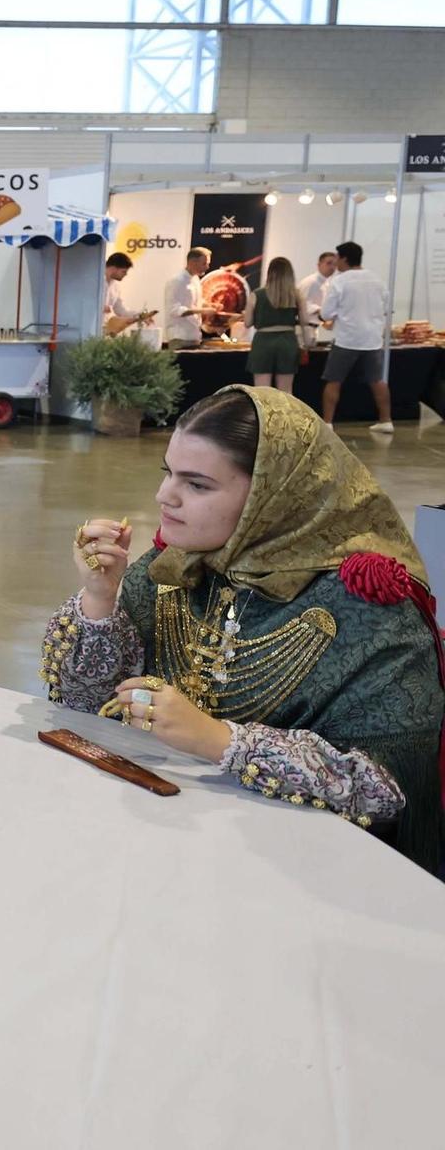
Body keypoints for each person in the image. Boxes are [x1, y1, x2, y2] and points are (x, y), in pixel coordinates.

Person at [45, 387, 443, 870]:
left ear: (270, 498)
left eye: (197, 484)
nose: (163, 496)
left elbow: (385, 790)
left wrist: (219, 740)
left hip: (301, 872)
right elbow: (84, 708)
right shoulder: (176, 568)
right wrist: (101, 598)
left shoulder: (368, 607)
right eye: (168, 472)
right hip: (166, 841)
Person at [318, 240, 394, 435]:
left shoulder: (340, 282)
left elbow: (326, 313)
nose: (336, 265)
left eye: (337, 260)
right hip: (372, 340)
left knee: (334, 380)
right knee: (377, 380)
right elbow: (387, 309)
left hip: (347, 339)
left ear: (344, 258)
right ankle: (386, 420)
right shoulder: (377, 280)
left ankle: (327, 422)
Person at [245, 256, 308, 394]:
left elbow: (247, 323)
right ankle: (286, 416)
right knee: (286, 391)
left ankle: (264, 416)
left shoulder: (256, 294)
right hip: (287, 341)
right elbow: (305, 322)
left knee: (262, 392)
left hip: (263, 342)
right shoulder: (296, 295)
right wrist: (306, 344)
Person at [163, 247, 223, 350]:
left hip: (194, 336)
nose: (207, 267)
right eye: (204, 263)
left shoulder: (195, 280)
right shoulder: (176, 281)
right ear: (192, 262)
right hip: (179, 337)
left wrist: (209, 305)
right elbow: (174, 310)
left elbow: (195, 302)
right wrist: (203, 311)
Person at [101, 252, 154, 336]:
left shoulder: (116, 287)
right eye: (124, 271)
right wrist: (99, 307)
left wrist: (140, 316)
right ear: (114, 268)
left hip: (105, 329)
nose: (126, 274)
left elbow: (121, 310)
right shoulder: (94, 280)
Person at [299, 251, 337, 340]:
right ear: (319, 264)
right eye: (329, 263)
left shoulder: (326, 283)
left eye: (334, 264)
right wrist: (321, 311)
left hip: (314, 328)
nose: (332, 267)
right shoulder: (311, 282)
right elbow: (301, 304)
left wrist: (325, 321)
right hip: (304, 329)